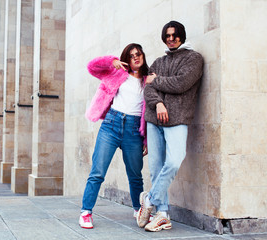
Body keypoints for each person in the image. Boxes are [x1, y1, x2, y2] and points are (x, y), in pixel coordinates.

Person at [136, 21, 204, 232]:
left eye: (175, 35)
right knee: (156, 168)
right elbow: (147, 89)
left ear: (182, 36)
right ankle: (162, 214)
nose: (171, 38)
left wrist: (156, 81)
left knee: (174, 161)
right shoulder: (158, 61)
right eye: (167, 35)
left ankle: (149, 199)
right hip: (154, 120)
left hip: (178, 119)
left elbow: (182, 83)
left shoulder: (194, 59)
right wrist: (158, 104)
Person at [79, 43, 149, 229]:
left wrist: (146, 139)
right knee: (98, 171)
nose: (135, 57)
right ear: (127, 58)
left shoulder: (147, 81)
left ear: (143, 57)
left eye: (138, 54)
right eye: (131, 55)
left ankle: (137, 210)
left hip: (134, 130)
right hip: (111, 125)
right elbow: (92, 67)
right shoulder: (117, 72)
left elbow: (148, 113)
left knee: (135, 175)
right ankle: (86, 212)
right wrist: (112, 61)